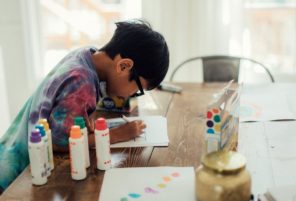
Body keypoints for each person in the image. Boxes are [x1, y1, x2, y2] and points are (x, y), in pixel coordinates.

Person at [0, 19, 169, 192]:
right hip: (16, 179)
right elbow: (58, 143)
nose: (132, 96)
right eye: (138, 89)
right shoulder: (82, 81)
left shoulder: (86, 54)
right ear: (124, 66)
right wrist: (118, 134)